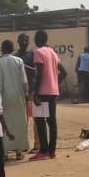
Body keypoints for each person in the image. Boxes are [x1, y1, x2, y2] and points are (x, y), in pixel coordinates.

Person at [31, 30, 67, 161]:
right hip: (53, 92)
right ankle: (52, 151)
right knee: (52, 122)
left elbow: (39, 74)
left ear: (37, 39)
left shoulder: (38, 52)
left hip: (42, 92)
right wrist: (55, 83)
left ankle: (43, 150)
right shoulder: (52, 52)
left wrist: (35, 92)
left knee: (40, 121)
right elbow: (64, 72)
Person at [0, 40, 29, 160]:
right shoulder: (18, 61)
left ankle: (4, 152)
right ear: (12, 49)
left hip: (3, 97)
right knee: (19, 123)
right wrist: (26, 92)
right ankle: (19, 152)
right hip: (18, 96)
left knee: (4, 124)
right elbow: (24, 81)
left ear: (2, 49)